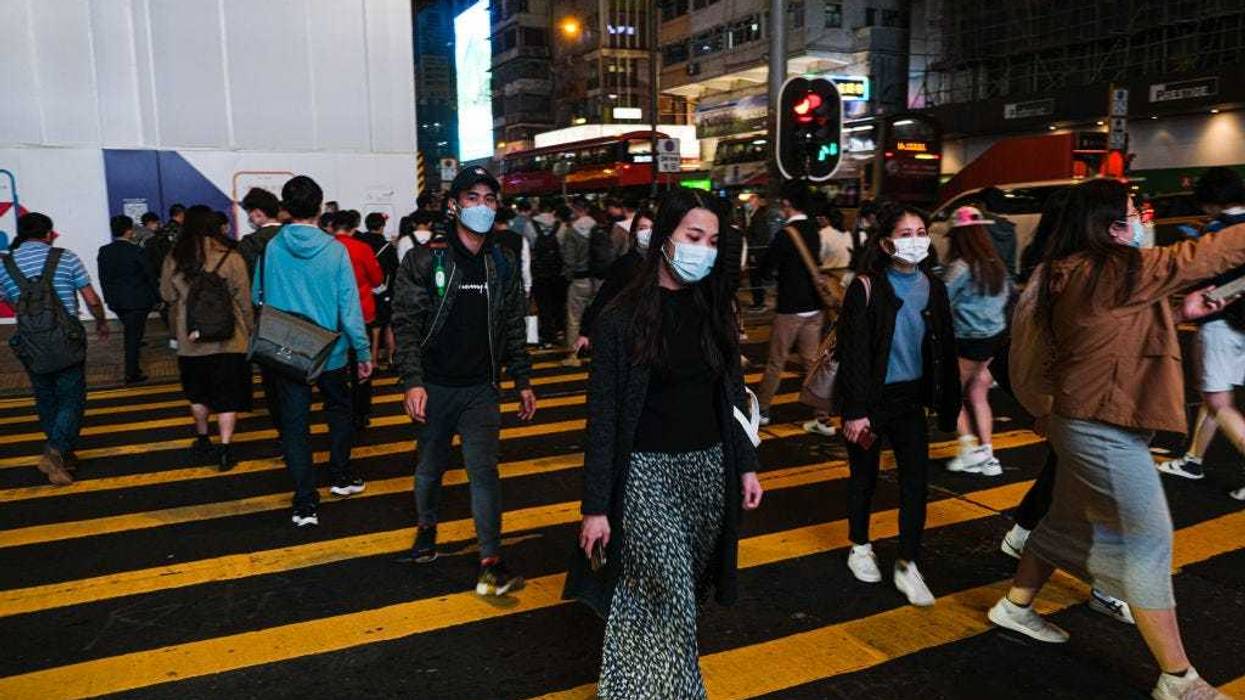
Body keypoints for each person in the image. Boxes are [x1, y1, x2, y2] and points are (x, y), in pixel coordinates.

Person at [990, 179, 1245, 700]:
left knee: (1063, 522)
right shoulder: (1114, 269)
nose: (1141, 220)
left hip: (1083, 416)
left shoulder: (1073, 271)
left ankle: (1014, 606)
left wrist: (1180, 314)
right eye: (1133, 212)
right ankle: (1179, 679)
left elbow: (1107, 330)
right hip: (1100, 425)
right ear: (1108, 223)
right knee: (1149, 540)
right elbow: (1203, 254)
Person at [567, 188, 764, 698]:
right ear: (664, 239)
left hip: (707, 472)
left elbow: (732, 395)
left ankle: (630, 688)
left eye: (714, 240)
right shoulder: (618, 319)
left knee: (664, 598)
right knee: (671, 592)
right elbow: (603, 418)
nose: (704, 248)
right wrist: (595, 507)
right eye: (693, 236)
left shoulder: (715, 310)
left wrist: (745, 465)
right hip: (645, 475)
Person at [391, 165, 536, 596]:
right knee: (431, 467)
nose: (482, 207)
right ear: (454, 205)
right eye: (472, 198)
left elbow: (512, 324)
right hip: (434, 386)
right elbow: (406, 324)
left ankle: (490, 561)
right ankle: (426, 526)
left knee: (484, 473)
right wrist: (412, 381)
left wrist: (522, 380)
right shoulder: (425, 259)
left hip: (479, 389)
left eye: (489, 199)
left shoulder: (502, 262)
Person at [837, 203, 960, 607]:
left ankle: (908, 563)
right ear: (887, 242)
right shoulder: (867, 287)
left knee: (915, 483)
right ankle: (860, 545)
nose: (916, 239)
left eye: (921, 230)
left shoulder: (934, 287)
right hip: (871, 403)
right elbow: (853, 353)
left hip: (910, 401)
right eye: (906, 233)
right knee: (865, 477)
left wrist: (947, 404)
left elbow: (944, 351)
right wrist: (855, 411)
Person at [255, 175, 373, 527]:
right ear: (320, 208)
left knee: (294, 425)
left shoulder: (272, 247)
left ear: (286, 208)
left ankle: (304, 502)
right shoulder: (335, 250)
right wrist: (363, 351)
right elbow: (348, 307)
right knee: (339, 410)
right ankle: (339, 475)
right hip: (331, 351)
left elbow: (255, 295)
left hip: (287, 351)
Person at [0, 212, 109, 485]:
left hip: (30, 341)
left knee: (45, 396)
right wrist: (101, 321)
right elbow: (91, 298)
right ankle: (56, 450)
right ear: (48, 234)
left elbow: (8, 300)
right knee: (72, 397)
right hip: (66, 338)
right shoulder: (65, 257)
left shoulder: (6, 264)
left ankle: (63, 455)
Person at [1157, 167, 1245, 491]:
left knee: (1218, 400)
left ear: (1211, 201)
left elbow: (1193, 275)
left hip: (1220, 321)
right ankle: (1193, 460)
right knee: (1215, 396)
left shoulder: (1217, 232)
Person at [160, 208, 254, 471]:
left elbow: (167, 295)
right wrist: (251, 329)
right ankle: (225, 449)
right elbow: (244, 301)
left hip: (190, 343)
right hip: (230, 340)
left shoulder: (174, 259)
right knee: (228, 395)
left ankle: (203, 439)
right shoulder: (231, 257)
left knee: (198, 393)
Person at [755, 181, 831, 436]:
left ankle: (763, 410)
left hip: (790, 307)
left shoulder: (786, 234)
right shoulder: (814, 230)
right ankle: (822, 417)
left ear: (787, 204)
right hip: (815, 307)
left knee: (776, 361)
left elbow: (765, 268)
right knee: (811, 362)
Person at [941, 206, 1012, 476]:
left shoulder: (960, 266)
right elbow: (1006, 299)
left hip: (968, 340)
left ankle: (969, 449)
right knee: (978, 392)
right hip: (994, 337)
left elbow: (941, 301)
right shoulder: (995, 264)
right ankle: (989, 456)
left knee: (949, 393)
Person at [331, 212, 385, 430]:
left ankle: (340, 408)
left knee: (335, 365)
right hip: (361, 312)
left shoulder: (326, 248)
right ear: (354, 227)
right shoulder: (362, 248)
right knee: (361, 364)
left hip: (331, 315)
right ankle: (361, 412)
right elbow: (377, 279)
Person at [574, 209, 654, 352]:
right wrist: (585, 331)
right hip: (633, 333)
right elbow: (604, 296)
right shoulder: (625, 264)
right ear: (634, 233)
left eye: (652, 228)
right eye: (642, 228)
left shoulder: (669, 263)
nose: (647, 233)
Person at [98, 214, 159, 384]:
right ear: (129, 231)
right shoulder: (137, 251)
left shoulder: (104, 251)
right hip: (138, 301)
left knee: (132, 335)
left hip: (116, 302)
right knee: (133, 338)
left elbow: (103, 278)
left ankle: (133, 369)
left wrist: (108, 298)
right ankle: (131, 373)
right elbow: (150, 275)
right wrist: (158, 297)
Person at [355, 212, 400, 368]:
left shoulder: (359, 242)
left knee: (366, 328)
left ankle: (367, 360)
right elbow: (395, 270)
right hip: (382, 291)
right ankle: (389, 359)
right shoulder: (387, 247)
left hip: (361, 290)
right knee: (385, 326)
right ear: (382, 226)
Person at [561, 197, 599, 367]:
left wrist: (568, 275)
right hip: (598, 279)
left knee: (574, 317)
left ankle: (573, 354)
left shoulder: (572, 231)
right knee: (596, 315)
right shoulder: (598, 227)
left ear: (576, 209)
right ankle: (596, 351)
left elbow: (568, 259)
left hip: (579, 279)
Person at [532, 205, 570, 348]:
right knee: (558, 304)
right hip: (558, 273)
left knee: (543, 305)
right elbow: (565, 250)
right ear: (554, 211)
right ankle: (559, 332)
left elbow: (529, 248)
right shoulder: (562, 227)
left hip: (538, 274)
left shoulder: (530, 225)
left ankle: (547, 334)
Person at [744, 192, 782, 310]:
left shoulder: (758, 216)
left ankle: (759, 303)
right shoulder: (754, 215)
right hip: (758, 251)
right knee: (758, 278)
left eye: (751, 200)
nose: (748, 203)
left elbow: (759, 236)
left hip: (757, 252)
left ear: (757, 202)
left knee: (756, 278)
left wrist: (754, 253)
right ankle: (759, 301)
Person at [237, 187, 284, 279]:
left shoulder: (249, 243)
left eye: (249, 212)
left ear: (258, 213)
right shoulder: (292, 235)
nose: (250, 217)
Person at [492, 208, 533, 298]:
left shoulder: (489, 240)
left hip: (495, 286)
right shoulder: (520, 239)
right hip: (516, 284)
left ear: (494, 222)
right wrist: (527, 287)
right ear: (508, 222)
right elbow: (525, 265)